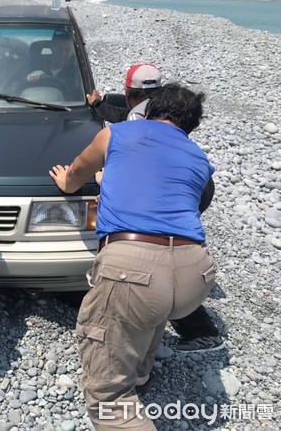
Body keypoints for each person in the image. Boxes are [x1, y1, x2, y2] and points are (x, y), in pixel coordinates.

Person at [49, 84, 217, 430]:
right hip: (196, 274)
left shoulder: (116, 134)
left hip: (133, 269)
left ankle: (124, 391)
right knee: (152, 312)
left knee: (108, 398)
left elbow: (76, 175)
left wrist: (71, 181)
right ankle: (140, 373)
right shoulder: (199, 157)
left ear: (149, 108)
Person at [88, 63, 224, 353]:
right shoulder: (168, 109)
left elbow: (131, 145)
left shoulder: (139, 117)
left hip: (176, 185)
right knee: (170, 246)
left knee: (157, 250)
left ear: (127, 93)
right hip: (195, 182)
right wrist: (99, 104)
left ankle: (200, 330)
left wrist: (106, 178)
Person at [25, 31, 81, 100]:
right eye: (59, 49)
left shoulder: (78, 70)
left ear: (72, 51)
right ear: (52, 47)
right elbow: (20, 86)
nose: (63, 53)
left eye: (67, 50)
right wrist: (32, 77)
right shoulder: (36, 64)